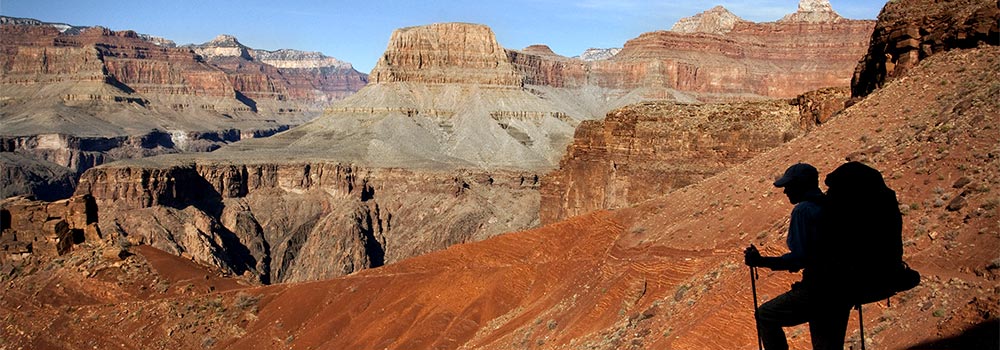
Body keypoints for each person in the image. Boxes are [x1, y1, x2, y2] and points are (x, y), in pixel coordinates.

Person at [744, 163, 850, 350]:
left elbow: (800, 258)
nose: (785, 192)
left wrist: (761, 261)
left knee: (765, 315)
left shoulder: (804, 210)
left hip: (819, 289)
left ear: (801, 185)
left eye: (788, 186)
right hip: (843, 289)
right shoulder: (830, 207)